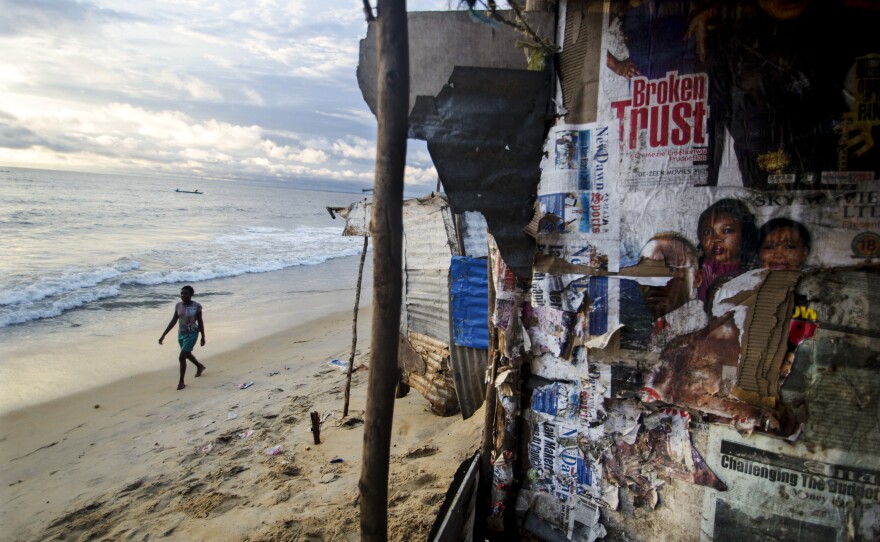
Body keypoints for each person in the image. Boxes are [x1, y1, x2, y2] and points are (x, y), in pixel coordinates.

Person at [637, 232, 707, 349]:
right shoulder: (639, 325)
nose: (654, 281)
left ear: (696, 279)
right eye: (646, 270)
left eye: (669, 269)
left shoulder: (707, 326)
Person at [695, 198, 758, 302]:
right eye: (707, 232)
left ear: (744, 234)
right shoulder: (694, 271)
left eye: (727, 231)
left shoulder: (756, 269)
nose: (715, 239)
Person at [159, 285, 206, 390]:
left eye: (185, 293)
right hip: (181, 334)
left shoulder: (197, 306)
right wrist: (163, 335)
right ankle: (199, 366)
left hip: (193, 334)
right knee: (187, 354)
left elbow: (200, 322)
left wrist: (203, 336)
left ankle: (181, 382)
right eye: (182, 293)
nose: (183, 295)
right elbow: (173, 321)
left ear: (191, 295)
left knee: (181, 357)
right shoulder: (178, 306)